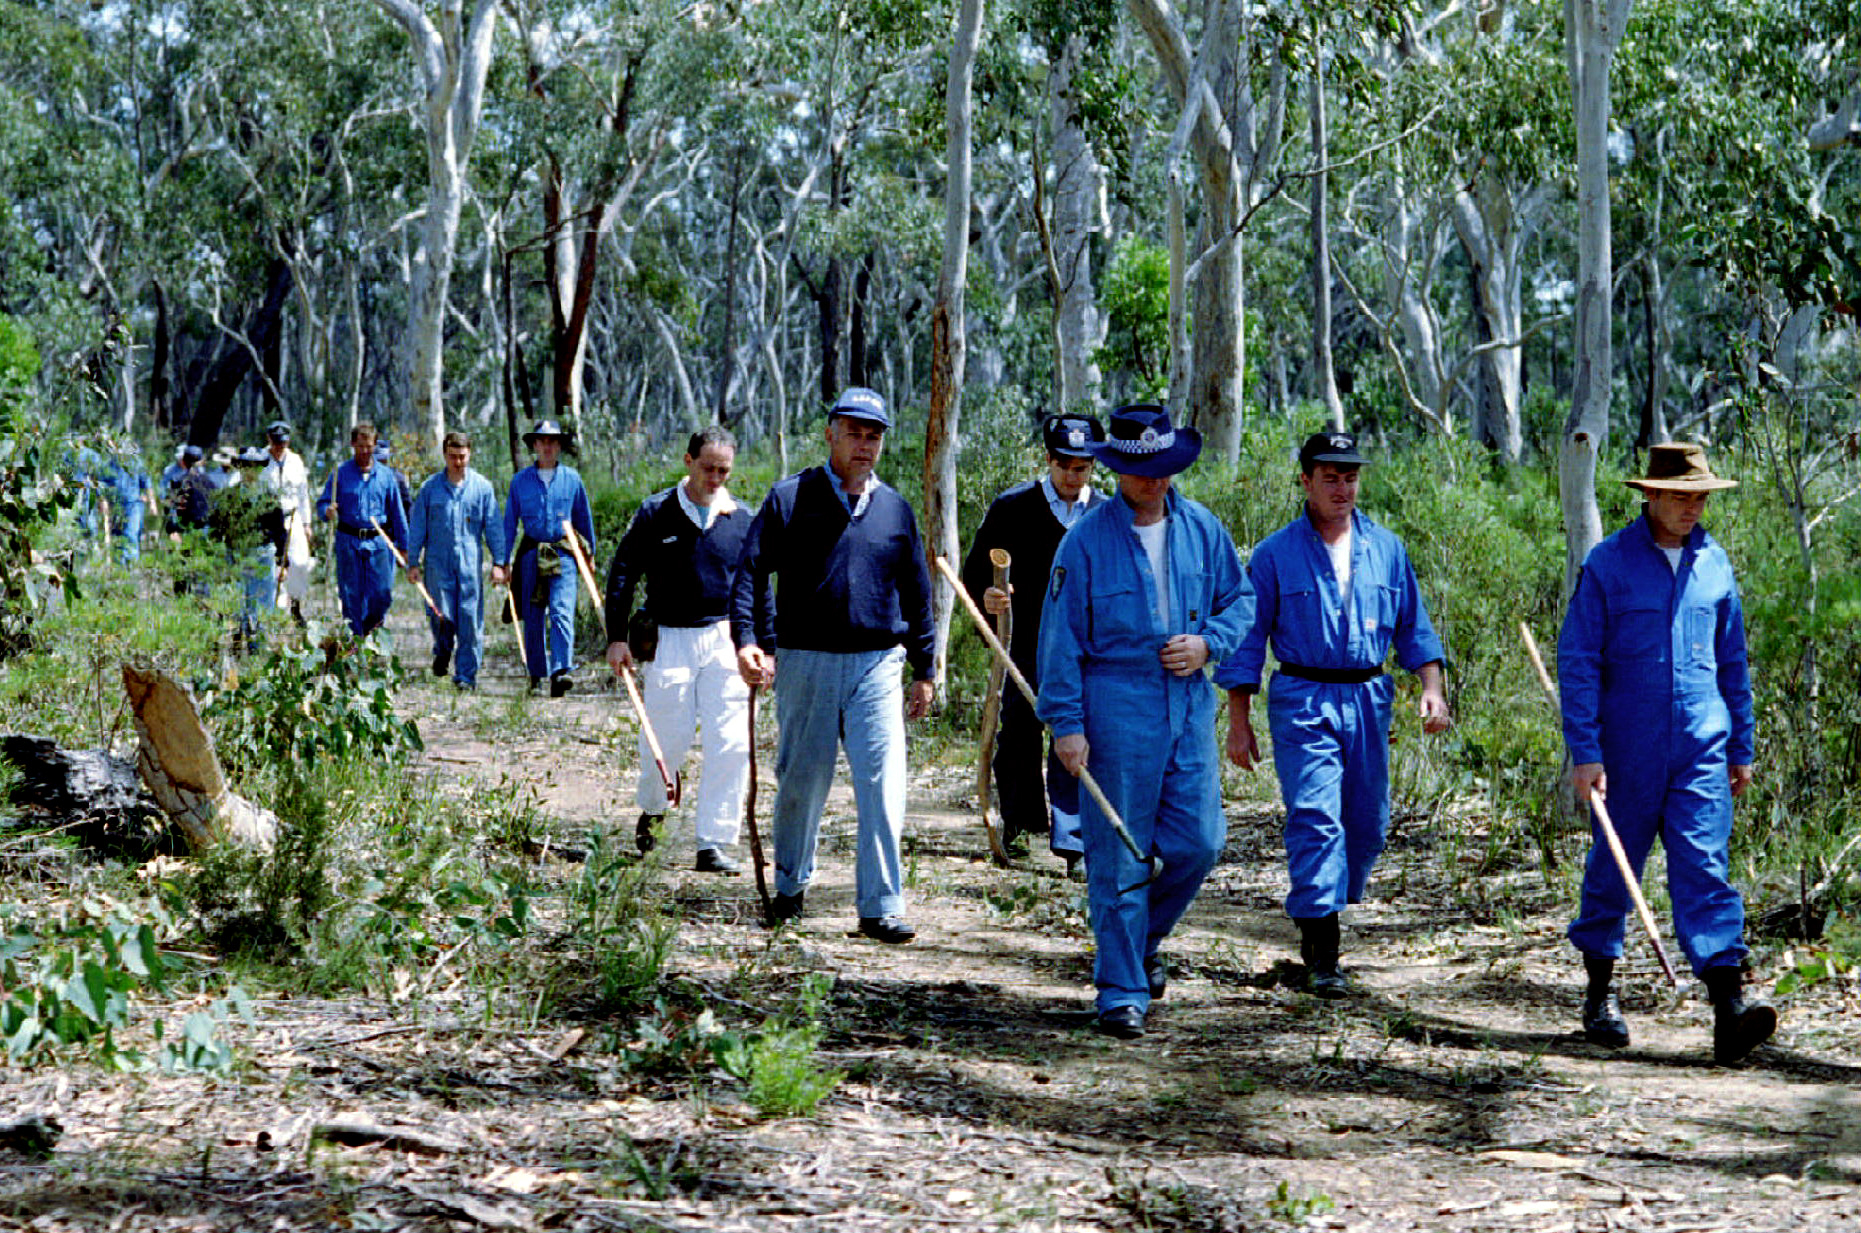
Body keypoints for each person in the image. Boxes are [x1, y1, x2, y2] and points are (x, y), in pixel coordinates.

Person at [1036, 404, 1252, 1039]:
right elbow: (1060, 641)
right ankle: (1122, 989)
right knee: (1117, 856)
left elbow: (1241, 601)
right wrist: (1066, 724)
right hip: (1115, 707)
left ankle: (1136, 939)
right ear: (1117, 468)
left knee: (1200, 842)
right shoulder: (1085, 542)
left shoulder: (1204, 529)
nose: (1152, 481)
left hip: (1188, 706)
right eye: (1139, 470)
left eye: (1162, 469)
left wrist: (1208, 644)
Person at [1557, 441, 1775, 1064]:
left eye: (1701, 496)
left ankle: (1729, 1009)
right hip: (1625, 750)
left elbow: (1732, 660)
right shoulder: (1609, 565)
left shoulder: (1716, 565)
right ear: (1650, 494)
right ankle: (1600, 993)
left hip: (1702, 746)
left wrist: (1742, 743)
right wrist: (1586, 751)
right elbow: (1577, 660)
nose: (1692, 508)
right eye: (1681, 496)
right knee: (1613, 867)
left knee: (1705, 865)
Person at [1217, 431, 1450, 997]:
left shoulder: (1386, 549)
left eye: (1350, 477)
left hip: (1368, 697)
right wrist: (1239, 720)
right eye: (1330, 477)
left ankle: (1323, 905)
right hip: (1303, 695)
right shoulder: (1275, 555)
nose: (1342, 488)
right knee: (1316, 817)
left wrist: (1431, 688)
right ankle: (1323, 948)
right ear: (1305, 480)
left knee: (1365, 824)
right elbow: (1249, 640)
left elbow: (1413, 626)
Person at [731, 386, 936, 943]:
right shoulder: (790, 498)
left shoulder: (894, 508)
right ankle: (791, 887)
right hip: (806, 661)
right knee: (801, 780)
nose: (865, 445)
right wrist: (749, 640)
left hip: (877, 663)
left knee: (883, 784)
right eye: (854, 433)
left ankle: (881, 906)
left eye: (874, 436)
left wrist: (925, 668)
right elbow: (751, 571)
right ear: (830, 434)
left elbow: (918, 591)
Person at [604, 426, 755, 873]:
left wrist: (761, 646)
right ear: (688, 461)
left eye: (723, 470)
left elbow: (757, 586)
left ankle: (714, 842)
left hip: (725, 639)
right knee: (665, 738)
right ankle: (654, 809)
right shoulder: (656, 512)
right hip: (669, 637)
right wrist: (616, 638)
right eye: (707, 467)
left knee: (730, 742)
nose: (714, 477)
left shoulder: (741, 518)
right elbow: (623, 573)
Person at [961, 413, 1105, 872]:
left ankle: (1074, 840)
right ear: (1048, 460)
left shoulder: (1106, 513)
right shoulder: (1013, 507)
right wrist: (990, 596)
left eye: (1081, 467)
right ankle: (1019, 825)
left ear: (1093, 467)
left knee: (1078, 737)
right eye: (1063, 464)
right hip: (1023, 641)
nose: (1071, 474)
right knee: (1020, 734)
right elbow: (976, 574)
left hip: (1086, 648)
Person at [407, 431, 508, 691]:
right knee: (440, 615)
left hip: (469, 565)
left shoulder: (482, 488)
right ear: (445, 455)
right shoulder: (430, 488)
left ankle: (465, 676)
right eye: (453, 456)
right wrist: (413, 562)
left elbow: (494, 527)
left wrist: (499, 562)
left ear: (469, 455)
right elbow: (418, 526)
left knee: (469, 619)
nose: (458, 462)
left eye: (462, 457)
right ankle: (442, 651)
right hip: (437, 565)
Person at [501, 420, 596, 696]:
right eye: (542, 441)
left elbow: (583, 519)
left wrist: (589, 555)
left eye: (553, 441)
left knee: (561, 611)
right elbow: (509, 523)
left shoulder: (572, 479)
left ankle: (561, 670)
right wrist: (502, 562)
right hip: (531, 553)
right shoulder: (520, 481)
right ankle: (536, 674)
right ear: (534, 445)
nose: (547, 447)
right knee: (533, 614)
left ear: (559, 446)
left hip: (564, 553)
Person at [315, 422, 409, 637]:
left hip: (379, 542)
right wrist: (327, 511)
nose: (365, 452)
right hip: (349, 541)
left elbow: (397, 513)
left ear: (375, 445)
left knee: (382, 594)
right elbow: (322, 502)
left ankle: (371, 631)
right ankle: (356, 646)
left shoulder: (386, 476)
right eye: (360, 447)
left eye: (369, 447)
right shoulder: (340, 474)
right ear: (352, 445)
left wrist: (404, 546)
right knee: (351, 596)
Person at [260, 420, 314, 620]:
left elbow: (303, 493)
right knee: (275, 564)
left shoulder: (295, 461)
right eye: (276, 443)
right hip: (270, 519)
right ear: (269, 440)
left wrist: (307, 523)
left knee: (300, 562)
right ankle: (277, 608)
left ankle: (296, 605)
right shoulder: (261, 460)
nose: (279, 447)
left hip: (293, 516)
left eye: (283, 443)